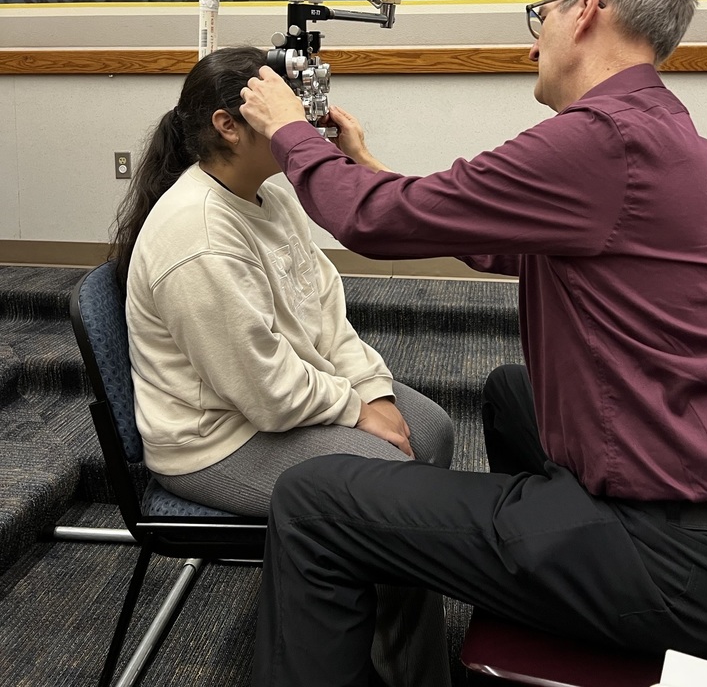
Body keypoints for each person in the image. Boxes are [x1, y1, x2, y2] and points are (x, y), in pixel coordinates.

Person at [239, 0, 707, 687]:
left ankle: (553, 566)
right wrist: (365, 169)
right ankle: (532, 573)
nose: (533, 39)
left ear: (586, 10)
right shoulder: (657, 125)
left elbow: (375, 225)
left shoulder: (599, 138)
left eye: (540, 16)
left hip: (671, 564)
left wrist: (289, 130)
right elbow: (493, 239)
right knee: (512, 390)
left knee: (315, 499)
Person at [110, 45, 454, 687]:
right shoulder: (199, 236)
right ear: (228, 125)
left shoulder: (272, 196)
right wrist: (353, 410)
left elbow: (326, 314)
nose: (303, 120)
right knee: (394, 485)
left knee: (429, 428)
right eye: (285, 108)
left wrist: (372, 390)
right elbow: (263, 391)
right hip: (217, 442)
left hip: (277, 404)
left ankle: (400, 654)